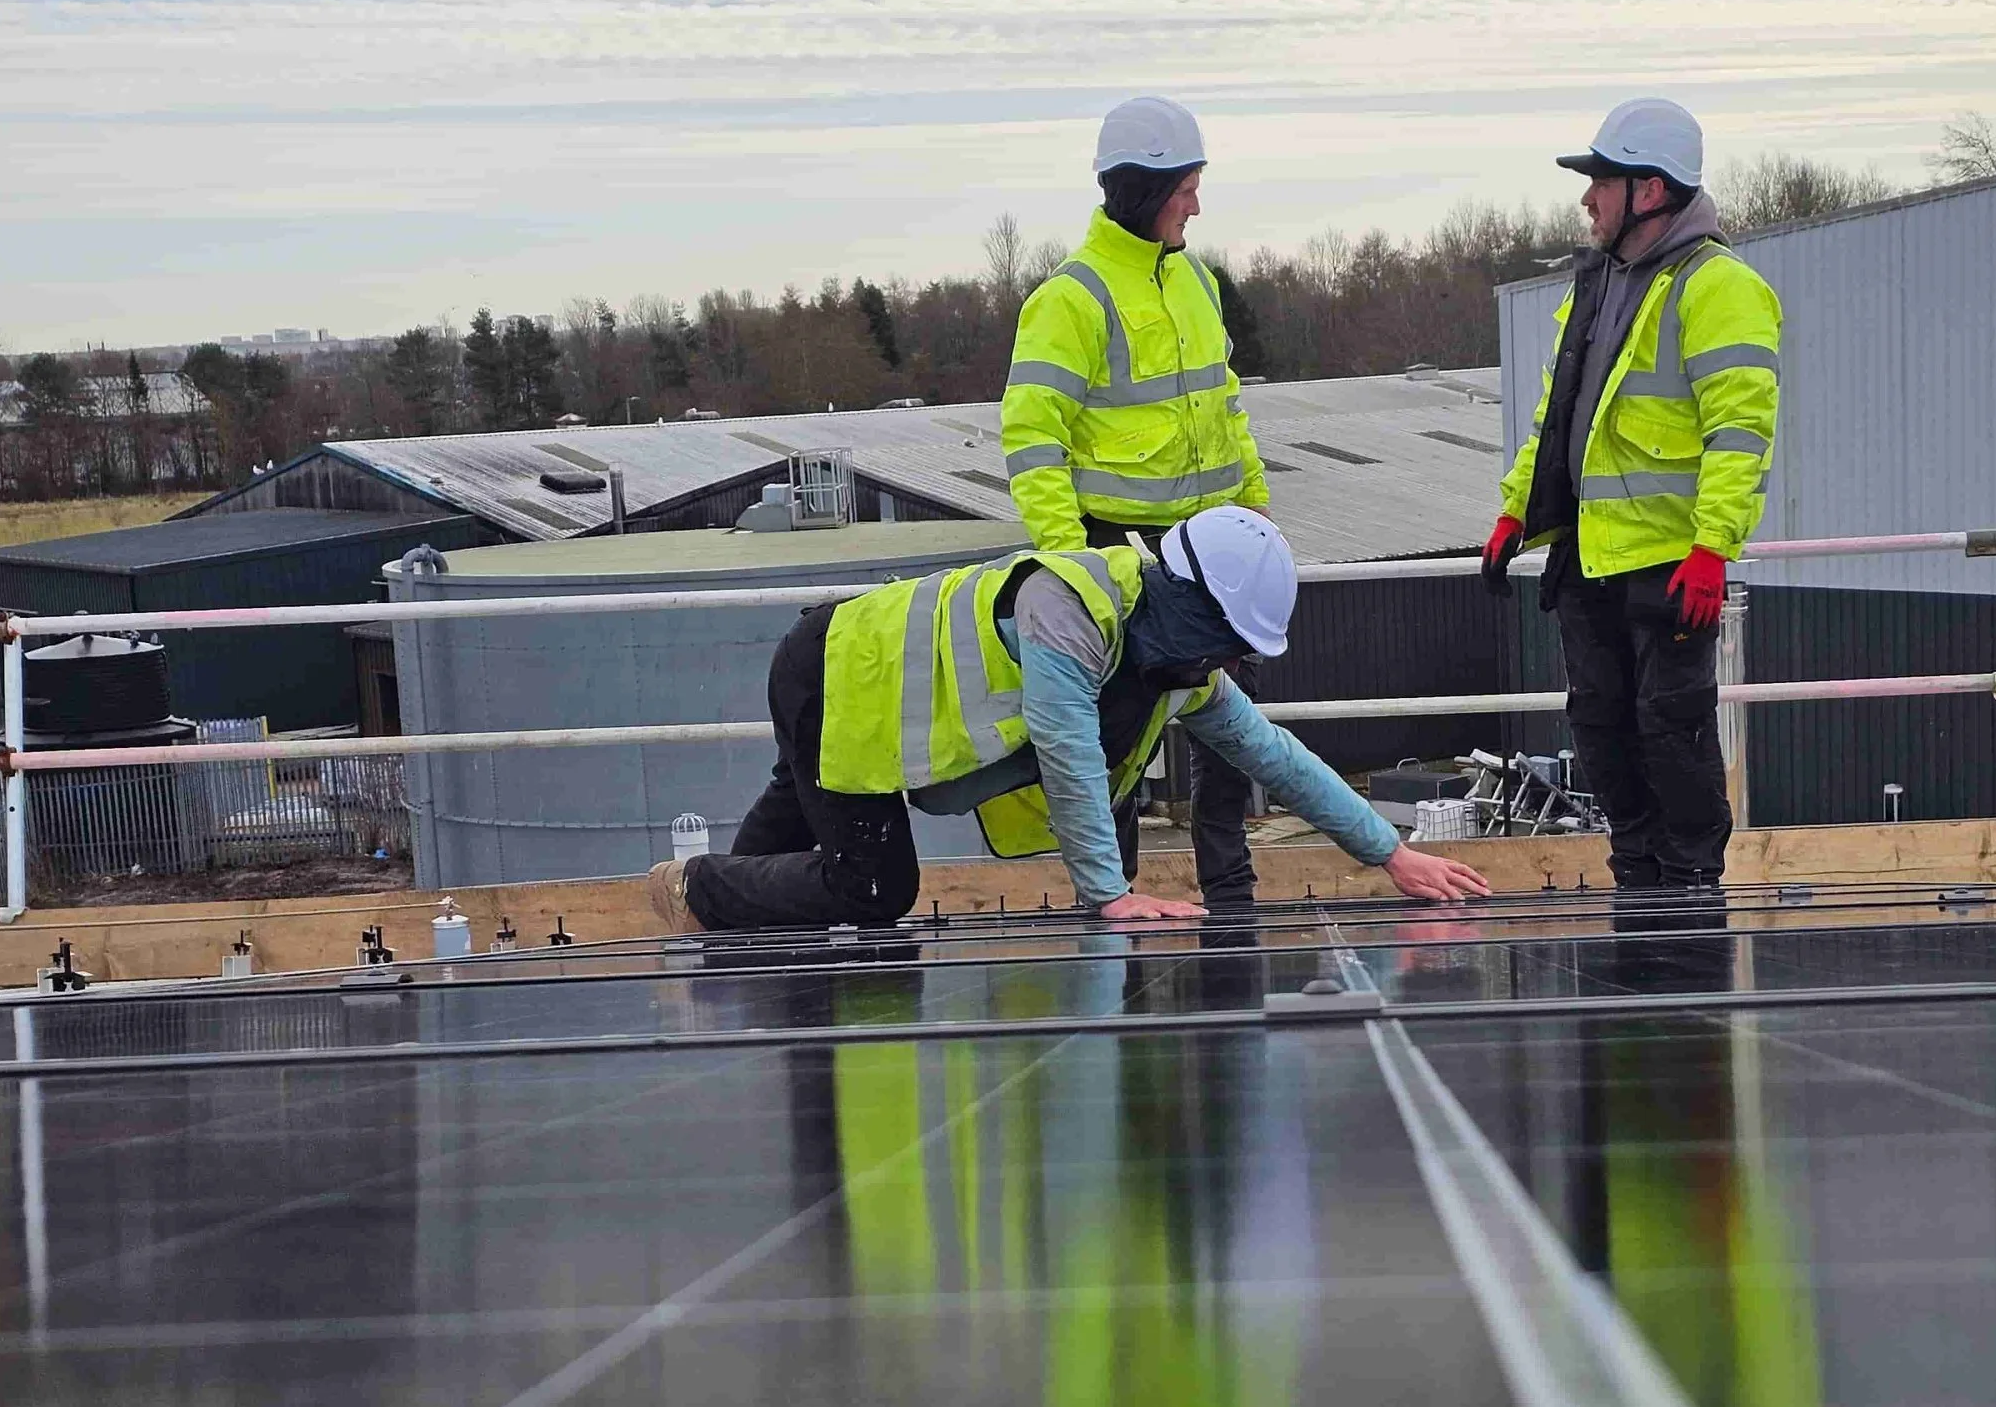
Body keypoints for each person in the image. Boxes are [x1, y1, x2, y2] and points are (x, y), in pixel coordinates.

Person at [650, 506, 1488, 932]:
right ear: (1192, 607)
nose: (1231, 665)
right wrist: (1109, 894)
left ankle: (704, 900)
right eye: (1229, 643)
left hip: (862, 697)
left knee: (778, 857)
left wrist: (1391, 850)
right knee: (872, 886)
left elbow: (1275, 754)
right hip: (837, 677)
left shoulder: (1174, 664)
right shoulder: (1071, 609)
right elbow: (1065, 742)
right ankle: (693, 884)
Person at [1482, 98, 1782, 890]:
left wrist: (1714, 547)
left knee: (1670, 732)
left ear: (1647, 191)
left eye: (1600, 182)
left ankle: (1689, 890)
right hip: (1592, 556)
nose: (1587, 198)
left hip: (1671, 564)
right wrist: (1519, 505)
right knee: (1601, 728)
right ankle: (1640, 882)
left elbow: (1741, 431)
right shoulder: (1600, 284)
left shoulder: (1719, 287)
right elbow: (1559, 417)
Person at [999, 96, 1272, 909]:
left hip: (1213, 546)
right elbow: (1032, 436)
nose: (1197, 201)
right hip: (1115, 545)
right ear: (1146, 191)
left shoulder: (1195, 279)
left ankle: (1228, 885)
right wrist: (1071, 556)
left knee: (1230, 729)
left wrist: (1255, 511)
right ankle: (1113, 897)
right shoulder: (1070, 299)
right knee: (1117, 738)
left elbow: (1226, 405)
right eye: (1187, 186)